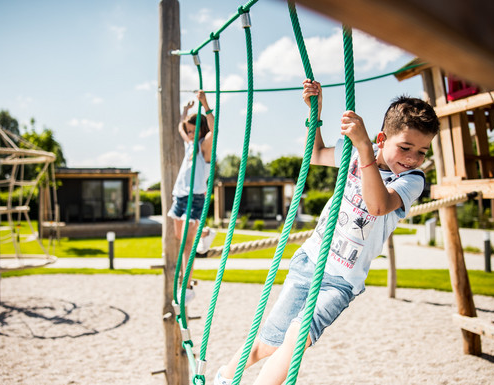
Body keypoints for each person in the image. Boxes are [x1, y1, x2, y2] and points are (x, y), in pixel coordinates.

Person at [214, 79, 440, 385]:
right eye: (405, 147)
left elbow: (377, 205)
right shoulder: (359, 155)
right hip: (311, 258)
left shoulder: (413, 179)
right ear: (382, 138)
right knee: (267, 342)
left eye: (422, 152)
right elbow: (317, 152)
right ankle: (224, 378)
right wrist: (316, 114)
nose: (413, 157)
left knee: (297, 338)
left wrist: (363, 149)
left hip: (342, 280)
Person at [168, 90, 217, 301]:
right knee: (179, 238)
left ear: (199, 131)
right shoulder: (189, 145)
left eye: (191, 131)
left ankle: (187, 287)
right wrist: (184, 112)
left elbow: (214, 129)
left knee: (188, 244)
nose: (187, 134)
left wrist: (205, 105)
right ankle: (205, 234)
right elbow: (180, 126)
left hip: (194, 197)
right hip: (179, 196)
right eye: (187, 131)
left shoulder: (204, 148)